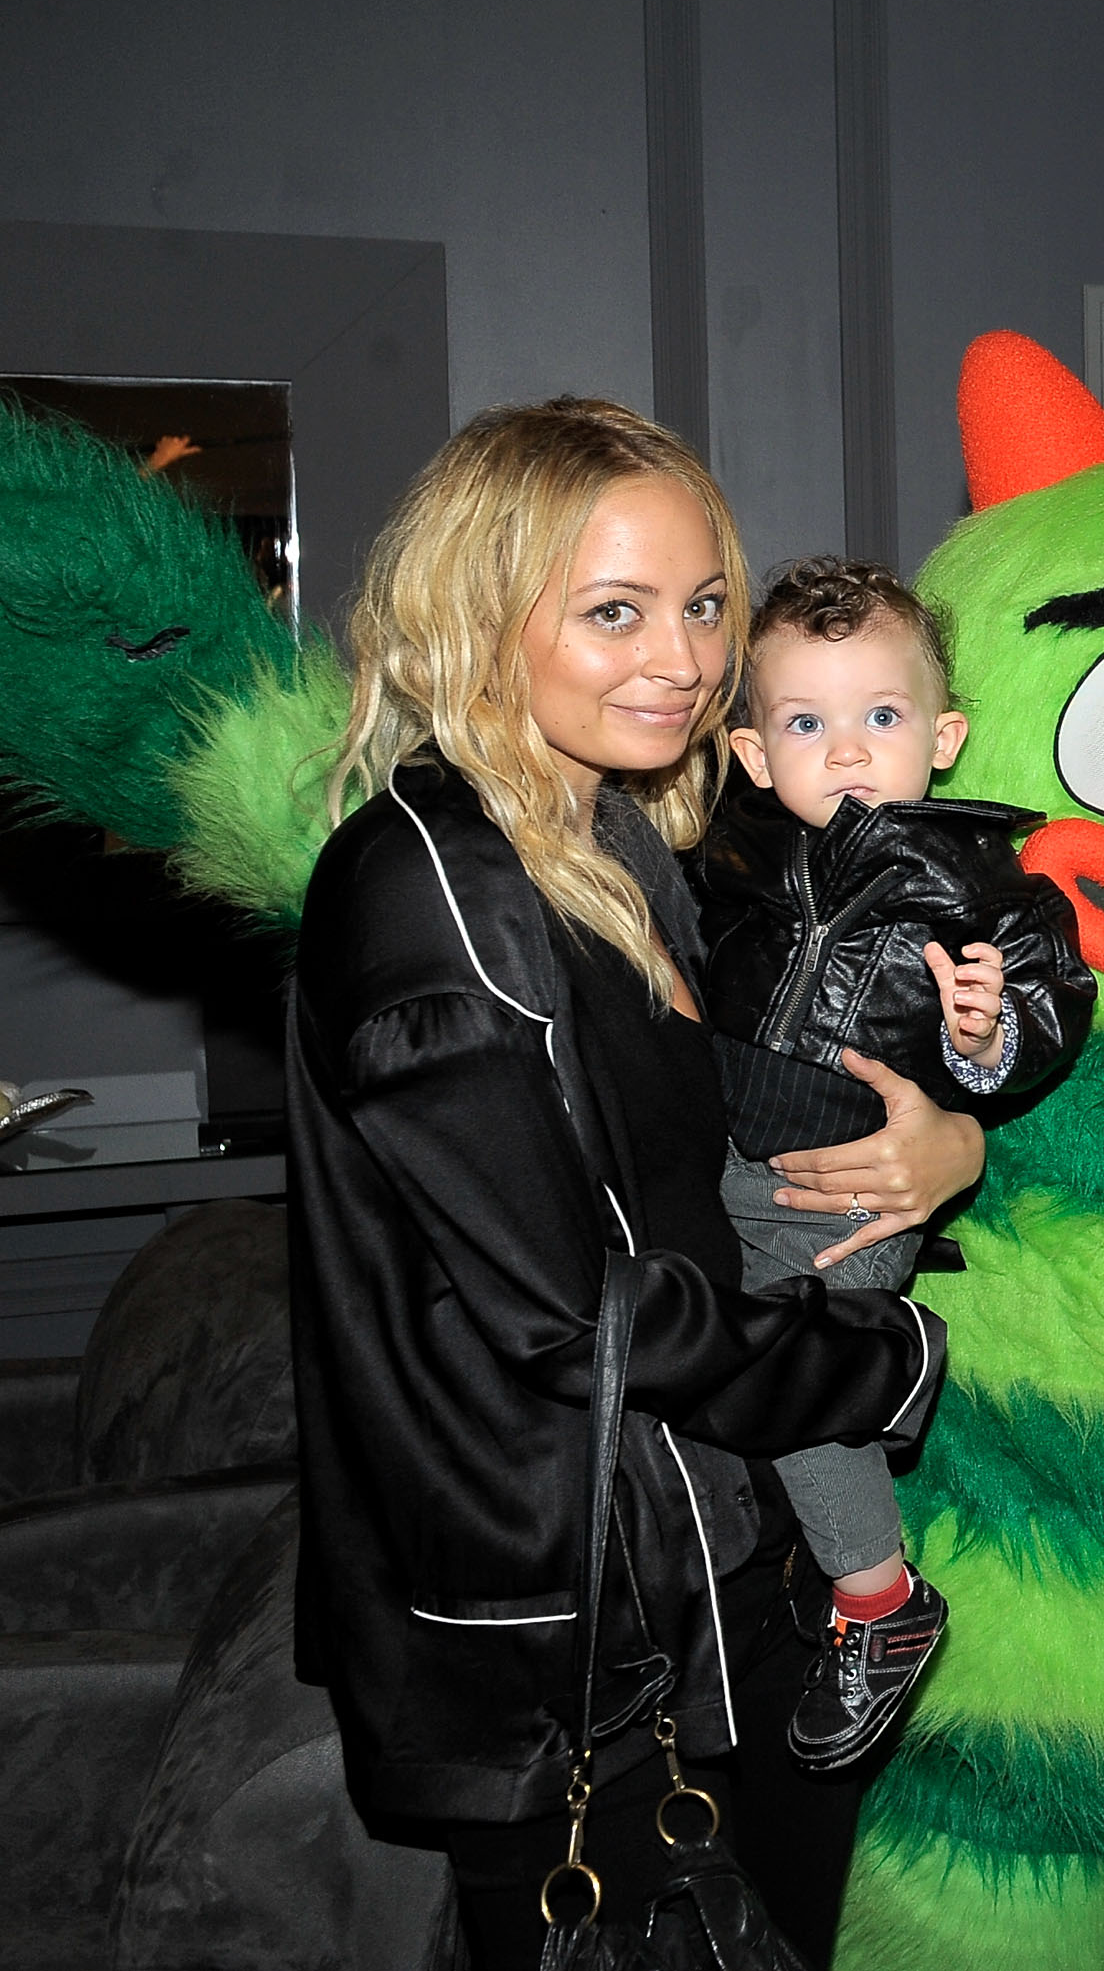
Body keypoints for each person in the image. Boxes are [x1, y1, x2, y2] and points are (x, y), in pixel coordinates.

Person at [288, 399, 987, 1968]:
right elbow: (574, 1313)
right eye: (615, 610)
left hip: (717, 1558)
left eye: (699, 605)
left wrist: (952, 1144)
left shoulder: (613, 837)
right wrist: (891, 1362)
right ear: (479, 617)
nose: (680, 655)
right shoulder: (425, 888)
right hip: (574, 1637)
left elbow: (721, 1138)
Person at [696, 554, 1093, 1768]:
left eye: (883, 717)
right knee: (729, 1375)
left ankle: (880, 1601)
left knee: (801, 1383)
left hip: (863, 1182)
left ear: (945, 734)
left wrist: (986, 1033)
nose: (851, 751)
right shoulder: (736, 855)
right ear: (758, 754)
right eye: (809, 723)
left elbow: (1047, 1010)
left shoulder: (978, 881)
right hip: (730, 1167)